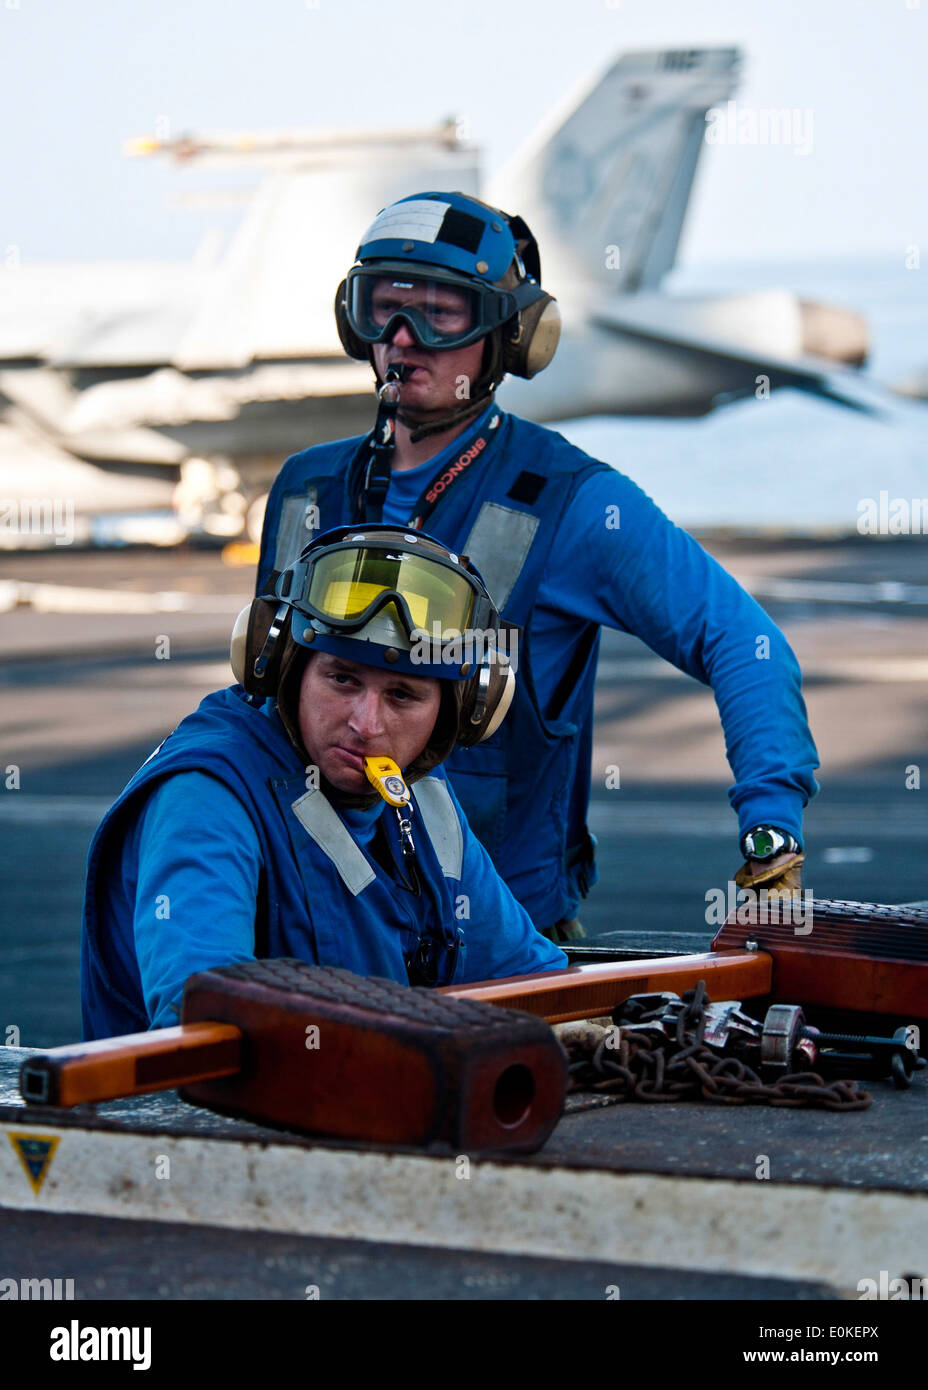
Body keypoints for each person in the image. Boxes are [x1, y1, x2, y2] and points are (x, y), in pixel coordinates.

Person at [257, 191, 820, 943]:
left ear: (513, 334)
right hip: (321, 928)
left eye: (441, 312)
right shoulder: (305, 491)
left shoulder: (573, 505)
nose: (402, 338)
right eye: (382, 306)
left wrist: (770, 841)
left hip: (504, 948)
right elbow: (265, 698)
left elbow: (746, 647)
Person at [80, 526, 568, 1040]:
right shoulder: (207, 795)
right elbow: (203, 1022)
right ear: (287, 670)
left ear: (463, 712)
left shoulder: (420, 793)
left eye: (403, 696)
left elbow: (529, 978)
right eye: (342, 679)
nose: (366, 724)